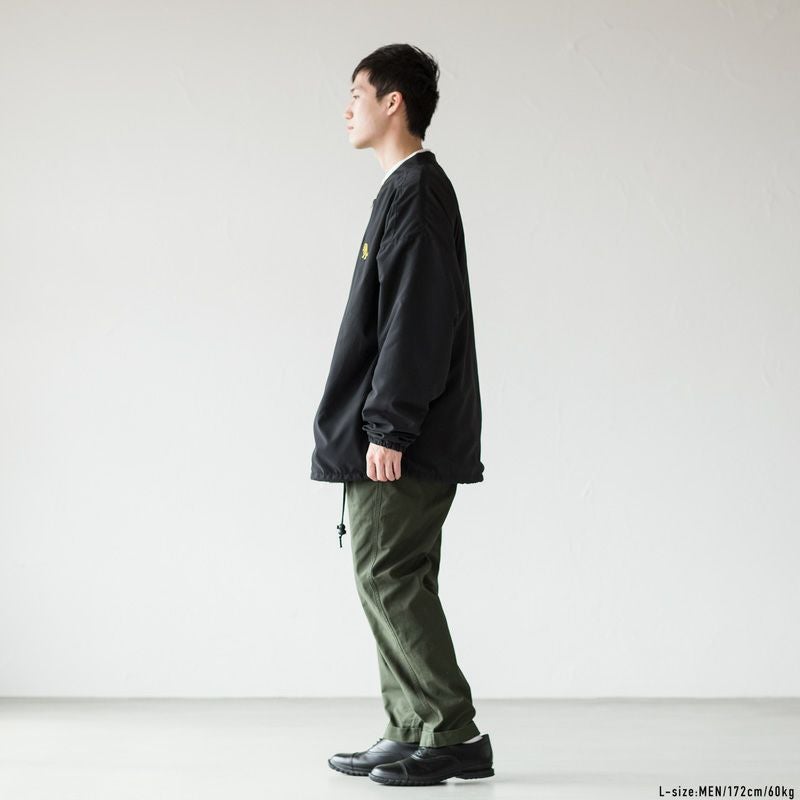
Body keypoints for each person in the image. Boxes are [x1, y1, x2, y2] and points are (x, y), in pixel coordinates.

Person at [309, 43, 493, 787]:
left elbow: (417, 319)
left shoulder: (416, 191)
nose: (346, 108)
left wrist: (389, 426)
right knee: (394, 575)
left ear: (394, 102)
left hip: (404, 438)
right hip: (403, 432)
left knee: (386, 574)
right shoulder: (404, 191)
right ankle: (410, 725)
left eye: (357, 93)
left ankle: (453, 732)